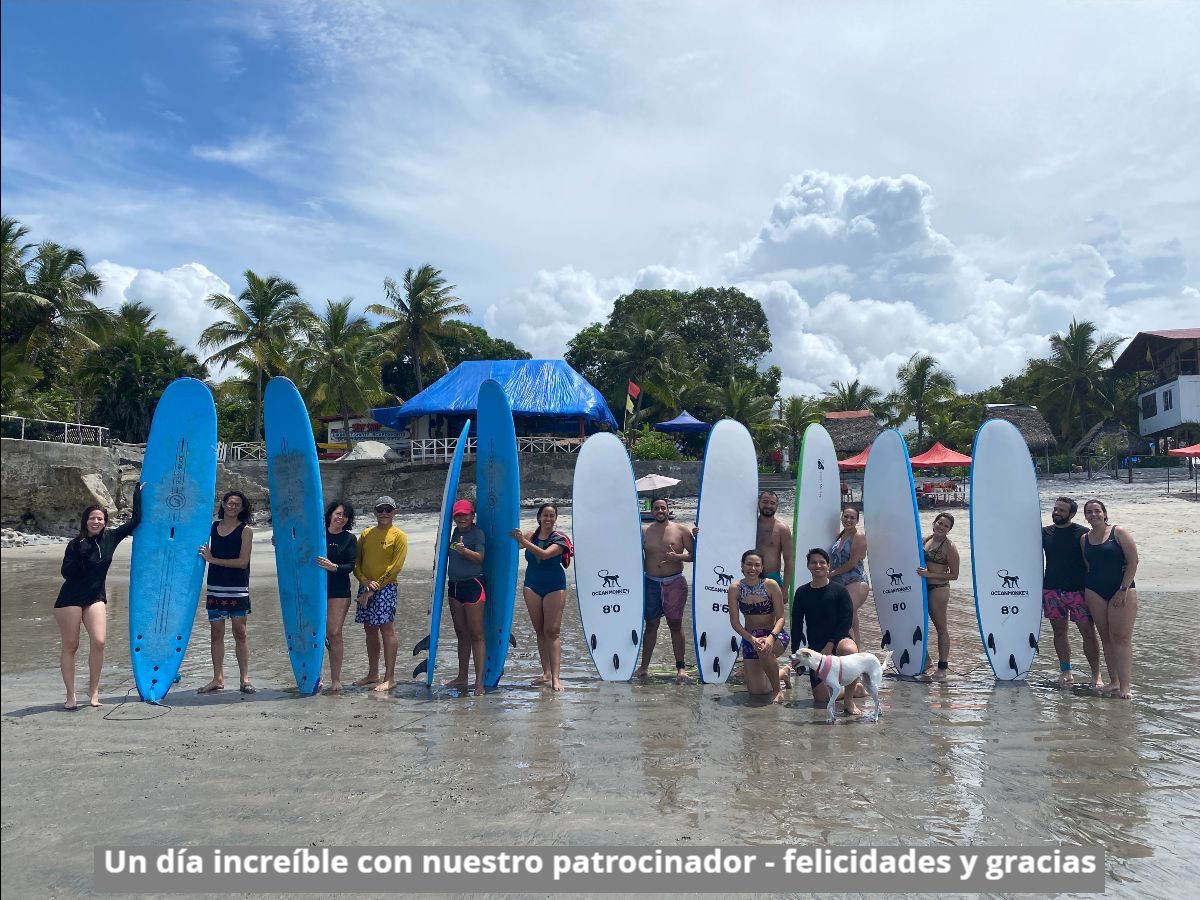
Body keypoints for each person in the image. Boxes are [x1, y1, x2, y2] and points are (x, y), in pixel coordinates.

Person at [54, 484, 143, 709]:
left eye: (100, 519)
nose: (96, 521)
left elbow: (136, 520)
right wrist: (81, 556)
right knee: (71, 646)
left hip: (95, 597)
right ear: (86, 521)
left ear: (105, 522)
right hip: (70, 599)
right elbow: (66, 573)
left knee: (100, 642)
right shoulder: (75, 544)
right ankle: (71, 695)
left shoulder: (111, 538)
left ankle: (93, 691)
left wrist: (137, 493)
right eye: (92, 518)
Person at [790, 548, 861, 717]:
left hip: (839, 640)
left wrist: (831, 644)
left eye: (822, 562)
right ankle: (853, 689)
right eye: (814, 562)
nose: (818, 565)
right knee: (821, 699)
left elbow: (846, 621)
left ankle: (849, 700)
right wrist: (795, 655)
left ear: (828, 566)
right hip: (816, 647)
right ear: (808, 565)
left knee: (850, 650)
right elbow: (796, 625)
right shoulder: (802, 593)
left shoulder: (840, 590)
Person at [1042, 496, 1101, 689]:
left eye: (1062, 510)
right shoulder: (1044, 533)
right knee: (1059, 632)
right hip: (1052, 590)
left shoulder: (1083, 533)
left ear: (1072, 514)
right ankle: (1066, 672)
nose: (1056, 513)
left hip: (1078, 591)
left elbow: (1092, 562)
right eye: (1055, 509)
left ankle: (1096, 675)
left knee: (1088, 632)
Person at [1081, 499, 1138, 700]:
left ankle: (1125, 686)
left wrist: (1123, 589)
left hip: (1122, 589)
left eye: (1097, 511)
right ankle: (1113, 682)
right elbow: (1088, 565)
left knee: (1121, 637)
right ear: (1085, 516)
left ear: (1104, 513)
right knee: (1105, 637)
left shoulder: (1118, 532)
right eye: (1089, 512)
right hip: (1094, 590)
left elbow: (1133, 561)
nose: (1093, 514)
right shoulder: (1084, 538)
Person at [199, 490, 255, 694]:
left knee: (240, 633)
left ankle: (245, 679)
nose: (233, 507)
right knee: (216, 633)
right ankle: (218, 678)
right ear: (223, 504)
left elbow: (242, 562)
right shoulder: (213, 527)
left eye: (237, 504)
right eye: (230, 503)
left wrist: (212, 560)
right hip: (216, 587)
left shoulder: (246, 530)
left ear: (242, 508)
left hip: (237, 588)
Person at [352, 496, 408, 692]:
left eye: (388, 509)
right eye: (380, 509)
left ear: (394, 512)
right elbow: (356, 563)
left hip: (386, 588)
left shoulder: (399, 536)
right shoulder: (366, 534)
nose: (384, 513)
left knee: (387, 630)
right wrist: (364, 582)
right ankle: (372, 674)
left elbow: (395, 567)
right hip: (365, 586)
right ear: (374, 512)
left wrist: (375, 588)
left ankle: (389, 678)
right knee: (369, 629)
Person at [511, 503, 569, 691]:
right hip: (532, 586)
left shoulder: (560, 539)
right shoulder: (530, 535)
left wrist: (523, 541)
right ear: (539, 517)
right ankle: (546, 673)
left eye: (552, 515)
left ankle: (556, 678)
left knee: (552, 631)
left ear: (555, 518)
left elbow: (544, 555)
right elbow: (510, 546)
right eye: (545, 515)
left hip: (554, 586)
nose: (548, 519)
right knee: (540, 631)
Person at [636, 498, 695, 682]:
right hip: (651, 583)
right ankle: (644, 667)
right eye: (656, 508)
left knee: (675, 624)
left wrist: (677, 557)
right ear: (652, 511)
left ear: (668, 510)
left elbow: (694, 555)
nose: (660, 510)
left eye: (663, 507)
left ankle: (681, 668)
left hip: (674, 582)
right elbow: (629, 553)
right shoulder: (644, 531)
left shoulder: (681, 530)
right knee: (650, 625)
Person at [727, 549, 788, 701]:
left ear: (762, 568)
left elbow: (781, 618)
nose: (752, 568)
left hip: (775, 634)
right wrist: (751, 639)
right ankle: (783, 673)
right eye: (749, 564)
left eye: (757, 565)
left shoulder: (771, 585)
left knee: (764, 650)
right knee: (758, 692)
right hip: (751, 637)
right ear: (742, 565)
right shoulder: (735, 588)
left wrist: (771, 638)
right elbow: (735, 623)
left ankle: (777, 690)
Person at [316, 500, 358, 694]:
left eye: (345, 515)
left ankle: (336, 679)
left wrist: (334, 567)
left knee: (334, 633)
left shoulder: (349, 539)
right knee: (315, 633)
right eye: (338, 513)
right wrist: (279, 542)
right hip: (315, 590)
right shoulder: (317, 534)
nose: (341, 518)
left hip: (339, 591)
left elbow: (351, 565)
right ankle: (316, 675)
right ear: (330, 514)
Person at [446, 499, 486, 696]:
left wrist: (465, 551)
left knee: (476, 634)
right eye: (458, 515)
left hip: (473, 585)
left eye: (465, 515)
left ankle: (479, 682)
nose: (462, 518)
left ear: (472, 516)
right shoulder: (455, 532)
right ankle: (462, 676)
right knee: (461, 633)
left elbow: (480, 558)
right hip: (454, 586)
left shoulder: (477, 533)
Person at [916, 512, 961, 680]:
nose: (942, 527)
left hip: (938, 589)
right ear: (934, 523)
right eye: (940, 523)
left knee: (941, 627)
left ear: (949, 530)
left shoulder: (950, 547)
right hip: (921, 588)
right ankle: (926, 661)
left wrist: (929, 575)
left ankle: (942, 668)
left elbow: (954, 575)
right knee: (916, 624)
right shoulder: (926, 539)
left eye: (946, 526)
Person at [828, 506, 870, 646]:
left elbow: (852, 563)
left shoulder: (858, 536)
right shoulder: (840, 536)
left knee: (845, 614)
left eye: (852, 518)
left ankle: (849, 651)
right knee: (851, 618)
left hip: (856, 581)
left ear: (857, 520)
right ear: (841, 517)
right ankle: (855, 651)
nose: (848, 520)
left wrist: (831, 574)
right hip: (839, 582)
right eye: (846, 516)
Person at [755, 490, 794, 594]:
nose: (768, 505)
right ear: (759, 502)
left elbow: (789, 562)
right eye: (765, 502)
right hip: (749, 576)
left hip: (772, 578)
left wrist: (785, 590)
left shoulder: (782, 529)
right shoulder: (750, 525)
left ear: (777, 505)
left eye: (772, 503)